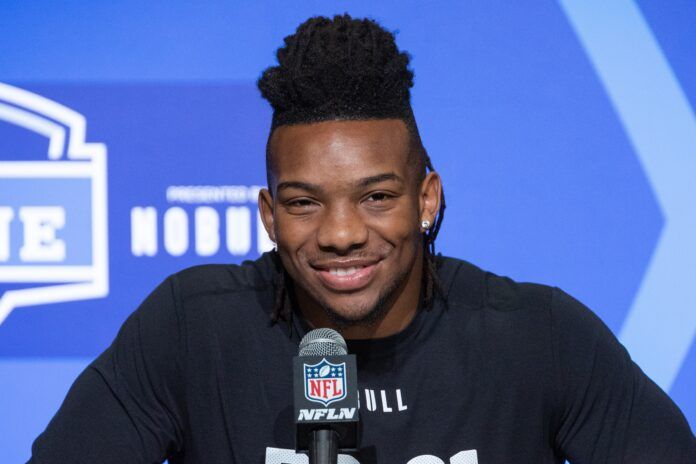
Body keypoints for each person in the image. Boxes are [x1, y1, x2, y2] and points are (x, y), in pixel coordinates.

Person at [29, 14, 694, 464]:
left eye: (376, 197)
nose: (341, 234)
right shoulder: (192, 329)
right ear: (268, 216)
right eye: (303, 202)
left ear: (426, 198)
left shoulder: (538, 336)